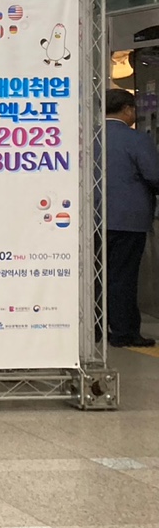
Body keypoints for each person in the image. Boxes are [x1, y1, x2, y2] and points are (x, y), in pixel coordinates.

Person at [105, 88, 159, 348]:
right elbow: (154, 175)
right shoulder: (136, 139)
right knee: (123, 277)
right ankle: (124, 332)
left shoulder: (88, 137)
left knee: (97, 276)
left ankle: (96, 329)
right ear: (127, 109)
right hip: (129, 219)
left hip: (93, 219)